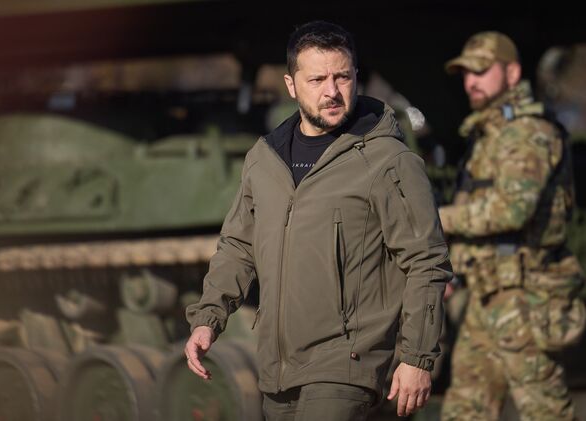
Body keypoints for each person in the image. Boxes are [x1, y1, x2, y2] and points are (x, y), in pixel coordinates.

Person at [184, 21, 452, 420]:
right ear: (291, 85)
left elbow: (426, 261)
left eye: (342, 77)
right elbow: (238, 246)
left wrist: (417, 358)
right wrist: (208, 319)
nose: (332, 91)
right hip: (277, 370)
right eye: (317, 80)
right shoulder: (264, 159)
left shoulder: (388, 160)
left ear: (356, 77)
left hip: (345, 365)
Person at [439, 31, 585, 421]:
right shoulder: (489, 132)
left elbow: (511, 211)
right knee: (464, 411)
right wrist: (451, 266)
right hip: (484, 294)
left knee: (544, 411)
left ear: (512, 73)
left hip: (525, 299)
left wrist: (440, 218)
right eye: (466, 73)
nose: (471, 82)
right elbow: (476, 206)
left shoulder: (528, 131)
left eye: (482, 71)